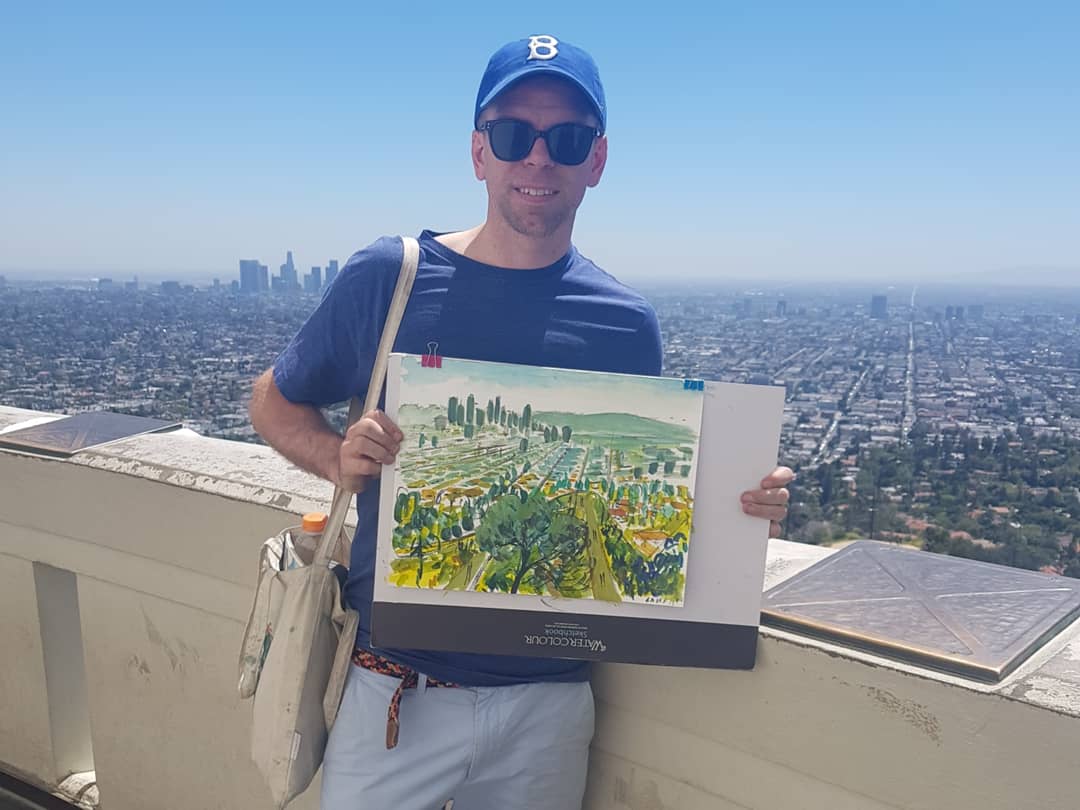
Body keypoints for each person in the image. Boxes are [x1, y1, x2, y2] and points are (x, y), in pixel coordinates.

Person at [249, 34, 793, 810]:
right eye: (513, 135)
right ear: (479, 153)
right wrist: (340, 459)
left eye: (566, 139)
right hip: (395, 691)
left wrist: (743, 509)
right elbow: (273, 399)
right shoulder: (392, 276)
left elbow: (639, 498)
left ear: (596, 161)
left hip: (549, 703)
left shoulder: (624, 325)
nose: (538, 159)